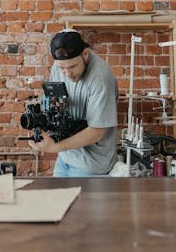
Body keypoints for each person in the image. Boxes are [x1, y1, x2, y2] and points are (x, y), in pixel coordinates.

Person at [28, 29, 118, 176]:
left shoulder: (101, 77)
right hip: (65, 157)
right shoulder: (59, 67)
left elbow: (97, 132)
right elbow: (52, 103)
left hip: (91, 164)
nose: (67, 74)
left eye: (72, 67)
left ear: (85, 54)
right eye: (62, 68)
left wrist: (55, 147)